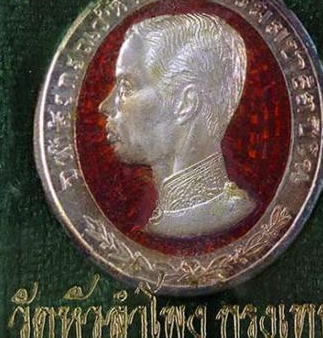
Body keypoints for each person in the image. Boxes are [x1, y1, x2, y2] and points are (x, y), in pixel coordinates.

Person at [99, 12, 255, 237]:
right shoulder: (168, 215)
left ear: (186, 104)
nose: (105, 105)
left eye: (126, 87)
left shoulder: (221, 216)